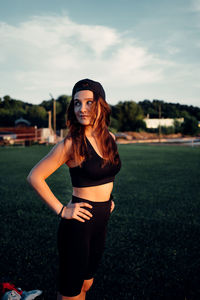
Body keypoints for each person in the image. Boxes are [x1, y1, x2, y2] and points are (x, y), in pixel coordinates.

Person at [27, 79, 121, 300]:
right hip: (78, 226)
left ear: (101, 105)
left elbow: (107, 173)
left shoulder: (110, 139)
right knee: (71, 293)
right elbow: (35, 176)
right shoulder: (71, 144)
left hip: (101, 223)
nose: (82, 109)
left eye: (89, 102)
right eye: (77, 103)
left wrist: (110, 199)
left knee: (87, 284)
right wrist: (62, 210)